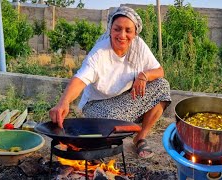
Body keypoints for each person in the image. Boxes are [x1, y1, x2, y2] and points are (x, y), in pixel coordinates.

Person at [49, 6, 171, 159]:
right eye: (117, 29)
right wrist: (63, 102)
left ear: (135, 33)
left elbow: (159, 71)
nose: (122, 35)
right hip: (96, 104)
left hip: (125, 98)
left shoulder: (139, 46)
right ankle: (102, 140)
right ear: (110, 30)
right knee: (111, 122)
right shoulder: (100, 52)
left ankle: (140, 137)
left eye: (128, 30)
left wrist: (144, 75)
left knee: (162, 86)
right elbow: (80, 79)